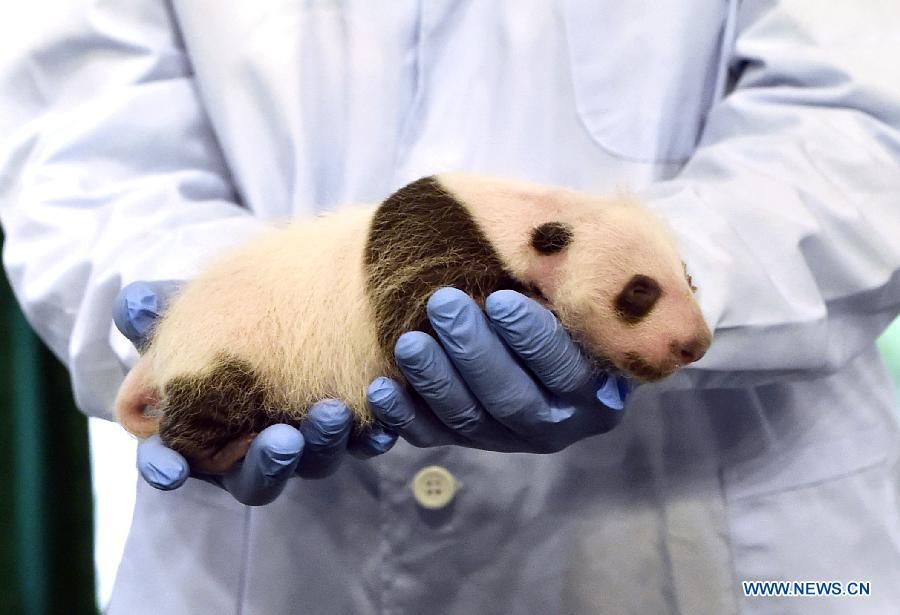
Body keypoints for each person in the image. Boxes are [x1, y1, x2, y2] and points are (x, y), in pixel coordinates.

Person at [1, 1, 899, 613]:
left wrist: (683, 261)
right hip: (270, 568)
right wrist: (203, 305)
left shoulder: (577, 256)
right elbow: (76, 146)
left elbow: (866, 119)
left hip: (733, 549)